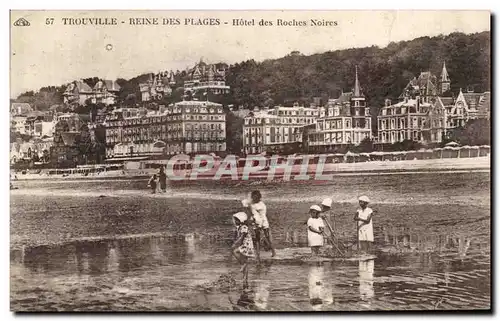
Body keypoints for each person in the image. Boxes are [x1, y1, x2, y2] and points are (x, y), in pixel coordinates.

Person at [245, 190, 276, 260]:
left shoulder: (261, 205)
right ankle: (258, 254)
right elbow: (250, 213)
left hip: (263, 221)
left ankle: (273, 251)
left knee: (267, 237)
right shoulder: (252, 204)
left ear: (258, 197)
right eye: (253, 197)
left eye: (255, 197)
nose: (253, 198)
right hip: (256, 222)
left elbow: (261, 215)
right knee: (257, 238)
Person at [231, 212, 255, 287]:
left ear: (240, 220)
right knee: (245, 261)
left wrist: (235, 243)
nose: (234, 221)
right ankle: (245, 278)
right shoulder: (239, 227)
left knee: (235, 251)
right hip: (244, 245)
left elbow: (242, 237)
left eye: (236, 220)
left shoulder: (244, 227)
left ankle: (243, 264)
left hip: (246, 245)